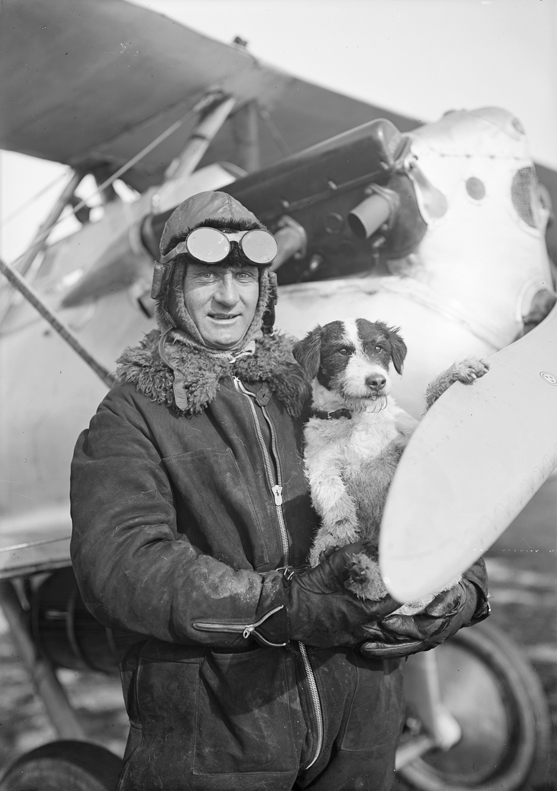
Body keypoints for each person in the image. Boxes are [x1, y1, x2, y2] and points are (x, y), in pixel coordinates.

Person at [70, 191, 489, 791]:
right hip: (219, 740)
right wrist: (288, 605)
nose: (228, 296)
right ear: (171, 290)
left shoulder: (319, 386)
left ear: (264, 289)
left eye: (244, 276)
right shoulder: (132, 414)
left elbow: (420, 480)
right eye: (206, 277)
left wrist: (462, 588)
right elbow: (122, 566)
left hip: (359, 735)